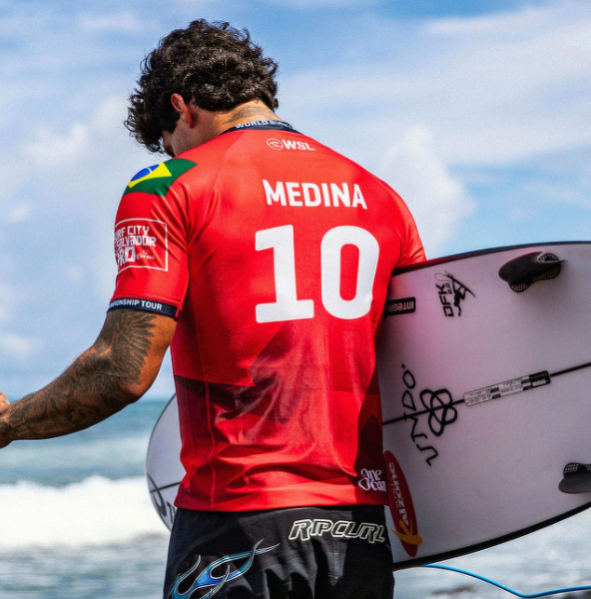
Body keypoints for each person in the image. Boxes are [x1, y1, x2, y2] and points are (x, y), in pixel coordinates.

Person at [0, 19, 425, 599]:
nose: (168, 152)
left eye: (166, 138)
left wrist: (10, 423)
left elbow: (122, 371)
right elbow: (423, 363)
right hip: (360, 533)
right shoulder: (380, 196)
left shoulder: (170, 184)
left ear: (183, 106)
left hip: (240, 525)